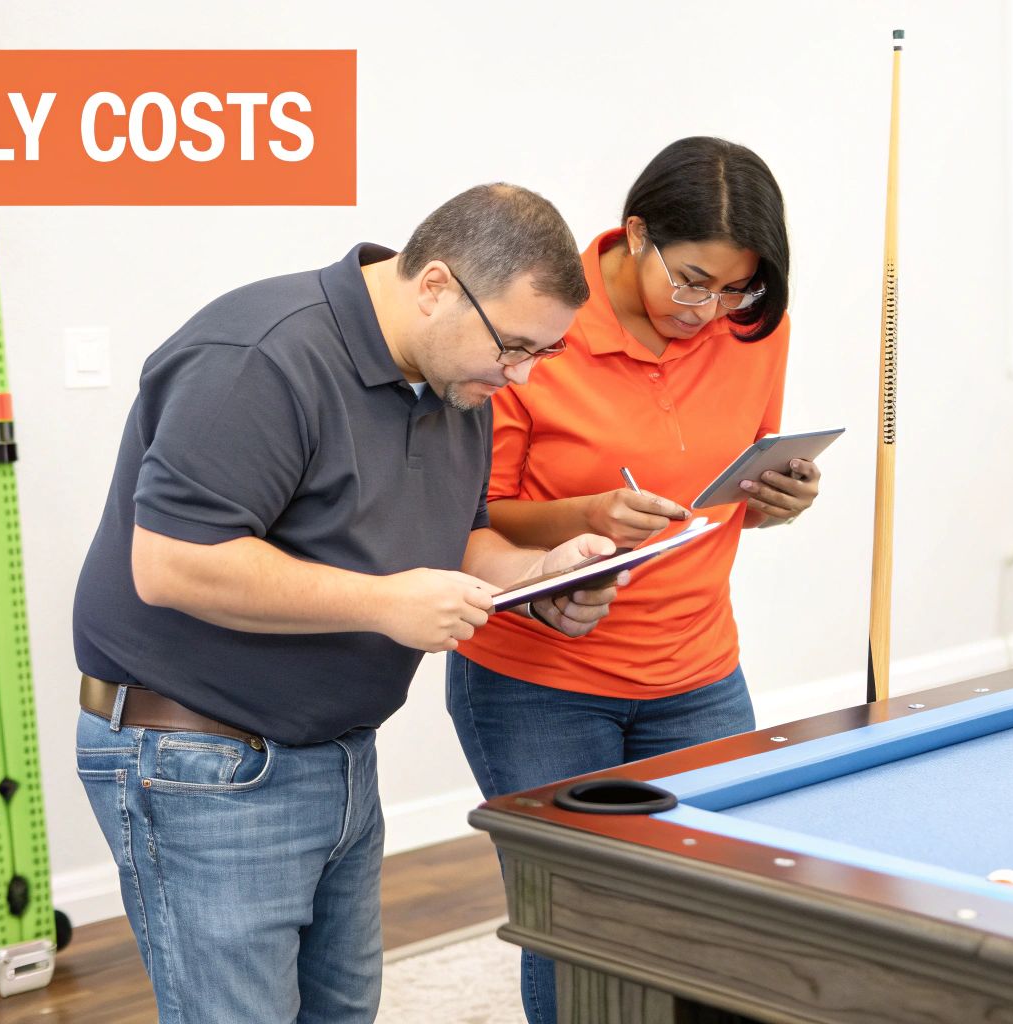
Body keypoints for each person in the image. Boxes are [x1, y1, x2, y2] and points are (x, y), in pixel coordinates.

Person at [71, 183, 627, 1024]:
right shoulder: (259, 355)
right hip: (199, 761)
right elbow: (173, 564)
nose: (519, 378)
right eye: (513, 346)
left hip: (335, 758)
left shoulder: (454, 382)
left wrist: (535, 574)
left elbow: (455, 537)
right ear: (436, 286)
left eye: (541, 355)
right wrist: (382, 605)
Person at [444, 138, 819, 1024]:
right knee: (580, 922)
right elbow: (475, 516)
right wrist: (588, 513)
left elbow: (730, 490)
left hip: (700, 672)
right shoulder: (539, 319)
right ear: (636, 233)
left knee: (717, 913)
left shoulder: (753, 330)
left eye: (736, 289)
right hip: (540, 683)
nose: (711, 308)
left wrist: (779, 495)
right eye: (692, 280)